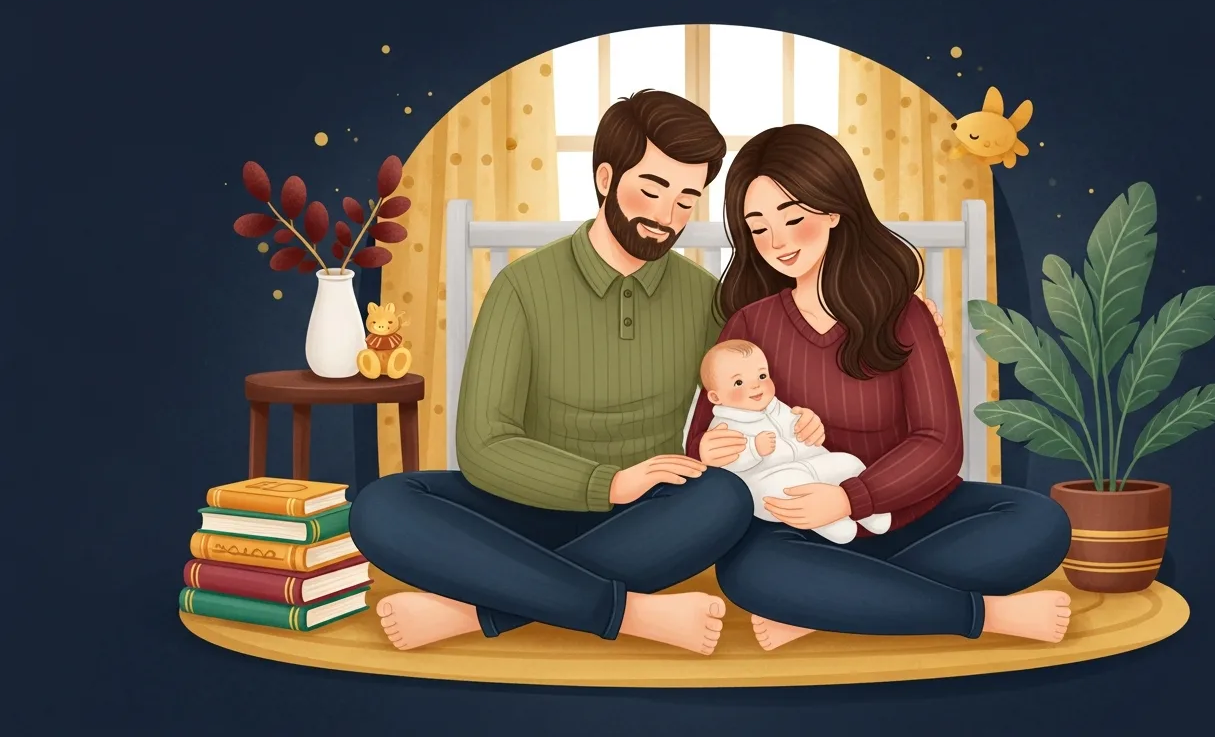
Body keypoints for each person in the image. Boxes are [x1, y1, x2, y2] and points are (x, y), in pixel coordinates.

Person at [350, 90, 754, 655]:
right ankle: (630, 612)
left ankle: (479, 611)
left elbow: (738, 404)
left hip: (644, 524)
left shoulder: (707, 300)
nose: (667, 217)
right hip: (521, 513)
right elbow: (484, 445)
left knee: (725, 499)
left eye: (687, 200)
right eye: (653, 189)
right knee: (382, 506)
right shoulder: (522, 287)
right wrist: (608, 483)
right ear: (606, 178)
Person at [686, 124, 1075, 651]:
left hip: (911, 514)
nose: (776, 241)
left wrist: (850, 498)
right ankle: (979, 614)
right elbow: (709, 439)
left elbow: (939, 443)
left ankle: (831, 607)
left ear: (832, 211)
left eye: (792, 219)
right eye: (757, 228)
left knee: (1040, 523)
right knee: (749, 571)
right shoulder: (750, 324)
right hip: (799, 531)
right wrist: (709, 450)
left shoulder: (903, 314)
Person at [698, 339, 889, 544]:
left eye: (762, 376)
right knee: (786, 491)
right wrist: (754, 449)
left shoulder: (776, 406)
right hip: (768, 477)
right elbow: (725, 464)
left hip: (811, 463)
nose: (756, 385)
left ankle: (871, 513)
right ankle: (831, 525)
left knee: (848, 462)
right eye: (738, 382)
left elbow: (796, 428)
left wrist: (803, 421)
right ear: (716, 397)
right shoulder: (724, 426)